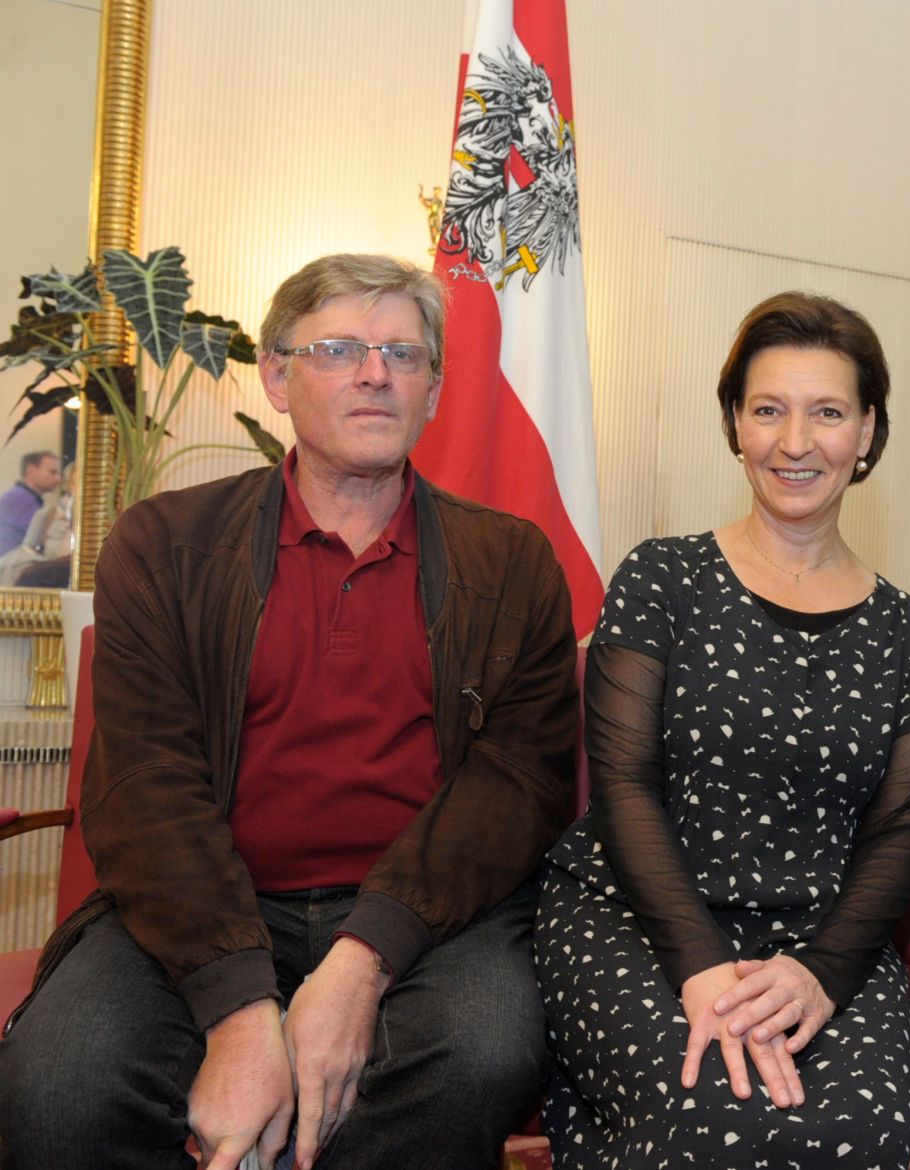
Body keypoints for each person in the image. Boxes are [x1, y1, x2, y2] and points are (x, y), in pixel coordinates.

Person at [0, 254, 579, 1170]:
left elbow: (516, 790)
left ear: (434, 388)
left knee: (479, 1052)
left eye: (404, 353)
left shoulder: (511, 562)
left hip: (428, 920)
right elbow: (145, 790)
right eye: (340, 348)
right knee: (64, 1078)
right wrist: (238, 1008)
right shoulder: (165, 544)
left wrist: (360, 964)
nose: (376, 373)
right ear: (275, 376)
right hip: (197, 903)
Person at [536, 291, 910, 1170]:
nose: (795, 442)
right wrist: (699, 965)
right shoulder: (660, 579)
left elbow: (905, 829)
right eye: (768, 410)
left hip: (824, 940)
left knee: (851, 1129)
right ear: (735, 423)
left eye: (828, 413)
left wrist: (820, 973)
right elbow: (623, 786)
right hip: (638, 919)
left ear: (869, 432)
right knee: (707, 1120)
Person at [0, 451, 63, 555]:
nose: (59, 479)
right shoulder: (19, 498)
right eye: (52, 472)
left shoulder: (22, 497)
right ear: (31, 470)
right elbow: (44, 539)